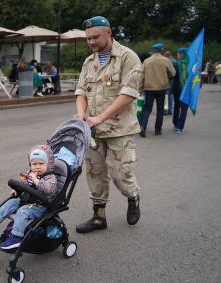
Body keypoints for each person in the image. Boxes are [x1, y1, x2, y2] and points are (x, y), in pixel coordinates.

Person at [74, 16, 141, 233]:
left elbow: (128, 94)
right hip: (92, 130)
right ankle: (99, 216)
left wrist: (101, 117)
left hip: (119, 129)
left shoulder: (127, 57)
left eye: (95, 37)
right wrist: (81, 114)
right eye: (88, 39)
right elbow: (81, 91)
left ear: (109, 33)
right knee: (94, 172)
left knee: (121, 175)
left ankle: (133, 197)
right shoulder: (88, 62)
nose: (91, 42)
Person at [0, 145, 58, 249]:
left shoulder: (50, 177)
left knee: (22, 211)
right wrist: (17, 189)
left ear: (48, 164)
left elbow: (48, 189)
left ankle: (16, 237)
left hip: (40, 206)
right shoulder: (30, 173)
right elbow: (24, 183)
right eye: (34, 164)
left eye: (41, 163)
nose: (37, 166)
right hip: (27, 200)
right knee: (11, 202)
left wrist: (35, 180)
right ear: (30, 164)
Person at [138, 43, 176, 137]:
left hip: (149, 88)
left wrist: (140, 88)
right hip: (161, 88)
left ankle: (143, 126)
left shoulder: (147, 61)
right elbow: (173, 73)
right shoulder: (166, 60)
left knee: (147, 109)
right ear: (161, 50)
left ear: (153, 50)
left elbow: (141, 75)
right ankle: (157, 130)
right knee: (160, 110)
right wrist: (167, 76)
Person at [172, 48, 189, 134]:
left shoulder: (175, 64)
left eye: (178, 54)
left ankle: (175, 124)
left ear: (181, 54)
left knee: (176, 107)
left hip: (177, 90)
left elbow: (172, 76)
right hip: (187, 91)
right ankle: (179, 127)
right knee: (184, 109)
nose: (177, 56)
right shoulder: (191, 65)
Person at [163, 50, 176, 115]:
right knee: (170, 95)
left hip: (167, 80)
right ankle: (170, 110)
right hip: (173, 80)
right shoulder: (175, 61)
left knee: (166, 95)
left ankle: (166, 110)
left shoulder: (168, 61)